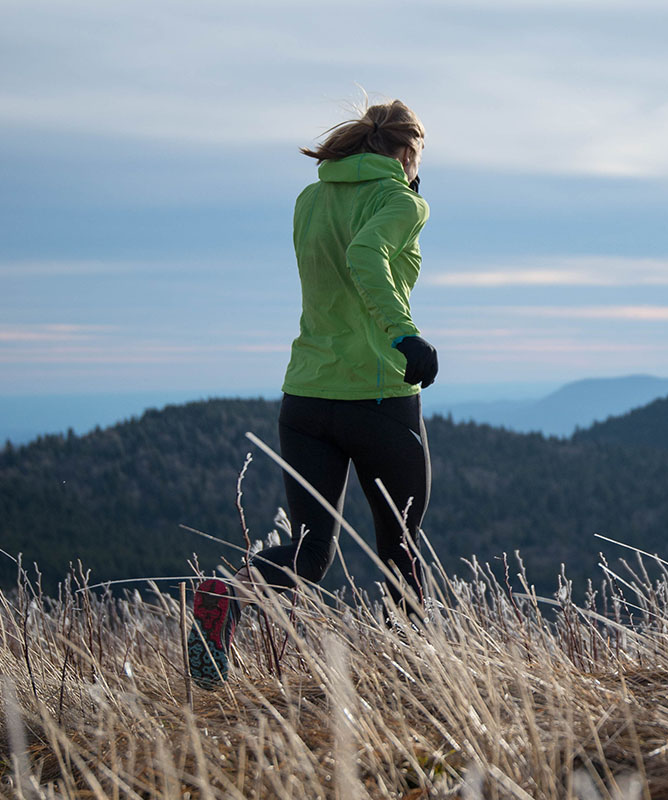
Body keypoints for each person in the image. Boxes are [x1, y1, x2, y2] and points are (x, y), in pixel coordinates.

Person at [186, 100, 437, 689]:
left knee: (309, 554)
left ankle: (230, 593)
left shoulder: (310, 198)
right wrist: (404, 334)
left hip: (306, 399)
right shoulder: (402, 202)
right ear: (407, 152)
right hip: (378, 398)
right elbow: (364, 256)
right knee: (399, 545)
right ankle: (414, 679)